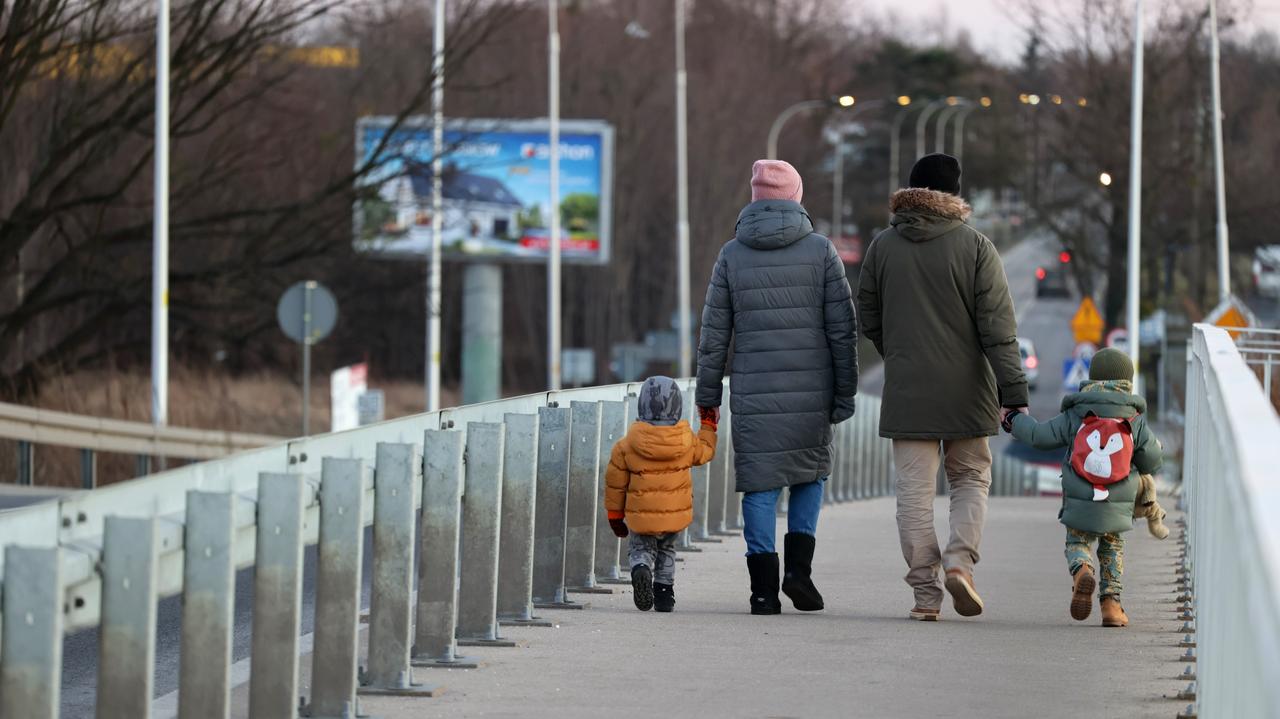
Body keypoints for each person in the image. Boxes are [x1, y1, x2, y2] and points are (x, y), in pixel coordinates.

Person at [858, 153, 1027, 621]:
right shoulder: (976, 247)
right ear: (954, 194)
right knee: (969, 478)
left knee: (913, 494)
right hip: (968, 391)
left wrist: (900, 354)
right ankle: (959, 563)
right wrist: (1013, 393)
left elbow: (869, 317)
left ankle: (925, 595)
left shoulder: (882, 247)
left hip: (908, 391)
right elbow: (998, 330)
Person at [695, 160, 858, 615]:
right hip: (812, 389)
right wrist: (844, 393)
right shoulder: (822, 251)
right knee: (810, 474)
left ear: (755, 199)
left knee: (760, 485)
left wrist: (708, 399)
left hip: (754, 392)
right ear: (796, 197)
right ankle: (798, 573)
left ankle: (763, 591)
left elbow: (713, 337)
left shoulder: (731, 255)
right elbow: (842, 331)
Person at [1006, 348, 1163, 627]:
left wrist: (1014, 420)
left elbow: (1039, 436)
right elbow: (1152, 460)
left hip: (1080, 498)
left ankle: (1082, 570)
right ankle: (1111, 606)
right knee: (1112, 546)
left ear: (1092, 378)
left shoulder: (1076, 413)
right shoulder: (1134, 418)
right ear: (1127, 381)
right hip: (1117, 500)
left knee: (1077, 541)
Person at [605, 375, 717, 613]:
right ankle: (664, 595)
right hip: (674, 515)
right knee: (667, 549)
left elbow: (615, 484)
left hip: (641, 516)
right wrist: (708, 424)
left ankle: (641, 569)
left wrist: (615, 516)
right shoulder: (687, 441)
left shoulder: (625, 446)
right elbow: (706, 451)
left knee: (640, 550)